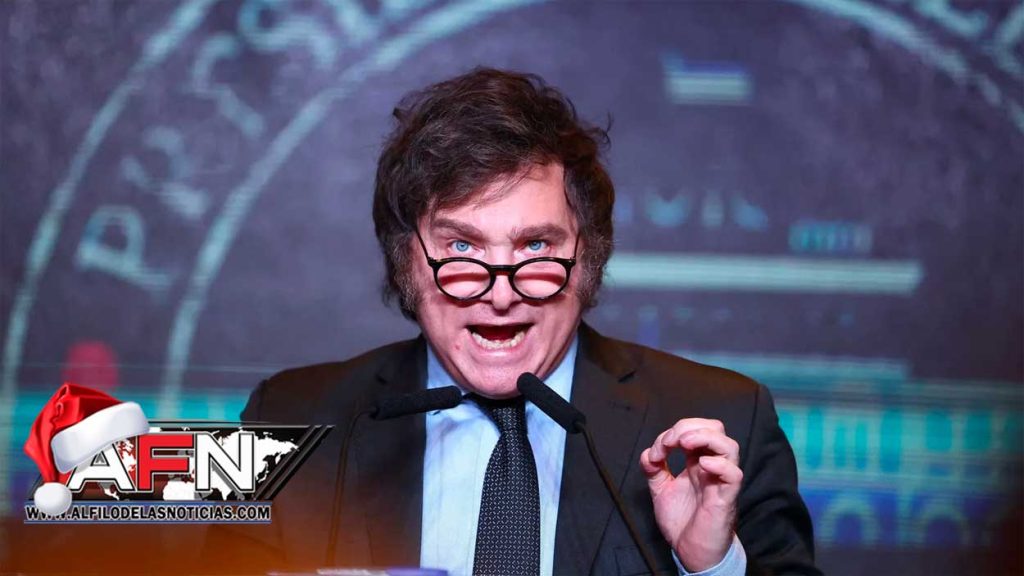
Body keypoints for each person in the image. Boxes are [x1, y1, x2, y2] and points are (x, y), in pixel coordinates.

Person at [204, 68, 820, 576]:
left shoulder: (726, 420)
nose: (500, 294)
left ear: (588, 260)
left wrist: (710, 568)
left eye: (535, 247)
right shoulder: (282, 418)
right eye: (462, 247)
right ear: (405, 262)